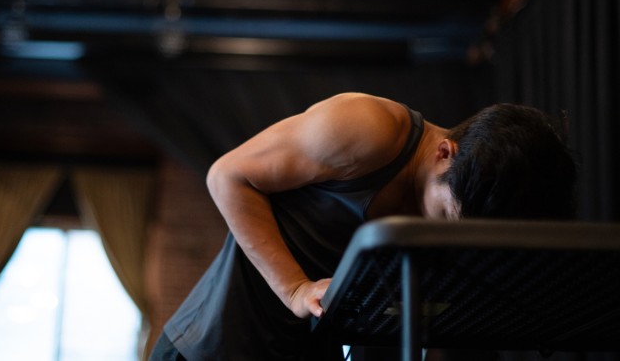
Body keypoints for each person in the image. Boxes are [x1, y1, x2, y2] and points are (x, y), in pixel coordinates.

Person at [149, 93, 577, 361]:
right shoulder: (367, 129)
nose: (449, 235)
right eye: (448, 216)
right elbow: (227, 176)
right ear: (445, 152)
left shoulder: (459, 198)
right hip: (214, 347)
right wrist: (296, 288)